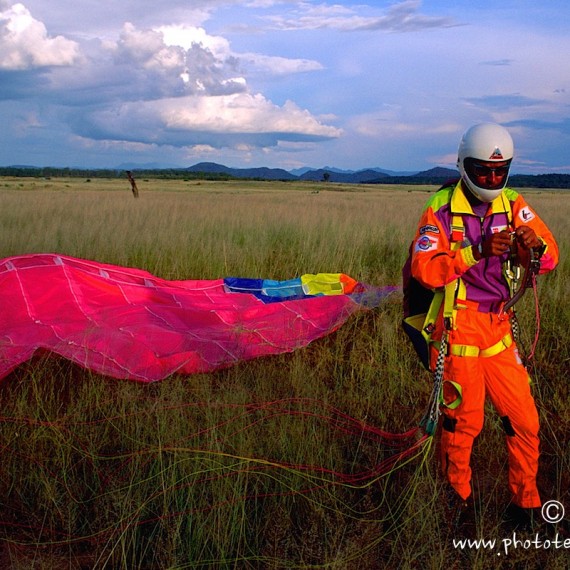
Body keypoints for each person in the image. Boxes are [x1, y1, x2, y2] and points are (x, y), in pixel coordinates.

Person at [409, 123, 559, 528]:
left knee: (524, 420)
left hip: (498, 326)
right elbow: (424, 269)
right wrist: (473, 252)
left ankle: (525, 504)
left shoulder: (513, 203)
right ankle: (458, 505)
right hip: (457, 330)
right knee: (462, 424)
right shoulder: (440, 208)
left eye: (499, 170)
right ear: (463, 166)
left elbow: (550, 258)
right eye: (482, 170)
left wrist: (534, 245)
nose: (492, 179)